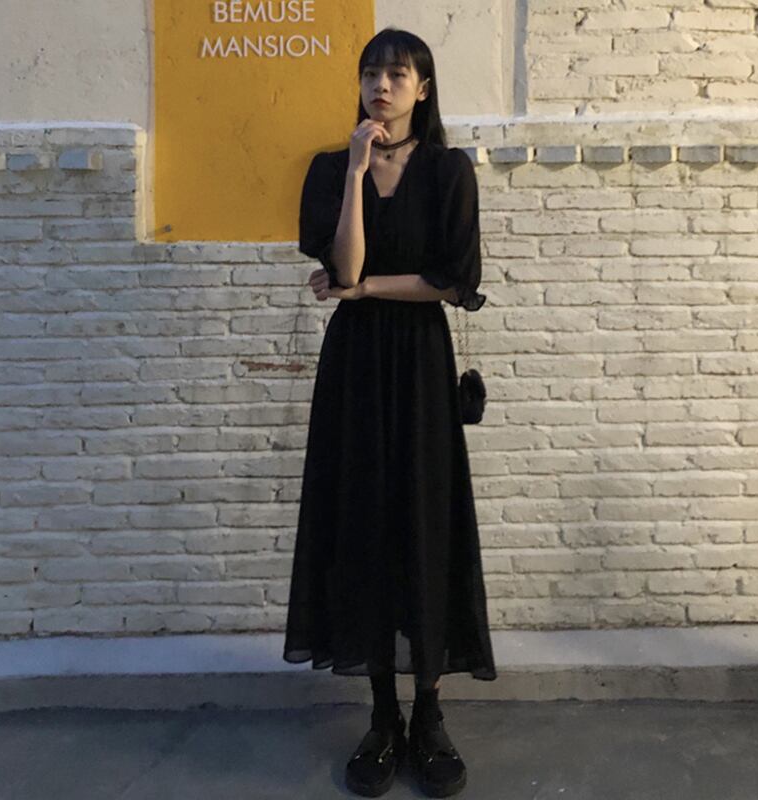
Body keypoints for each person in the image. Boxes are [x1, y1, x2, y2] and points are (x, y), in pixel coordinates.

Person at [283, 27, 497, 798]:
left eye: (398, 74)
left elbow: (451, 280)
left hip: (419, 366)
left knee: (424, 522)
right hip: (355, 368)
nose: (381, 84)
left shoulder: (447, 171)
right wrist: (354, 172)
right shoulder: (329, 167)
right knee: (364, 523)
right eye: (371, 72)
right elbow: (341, 263)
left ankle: (429, 715)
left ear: (423, 88)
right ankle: (382, 718)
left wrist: (367, 287)